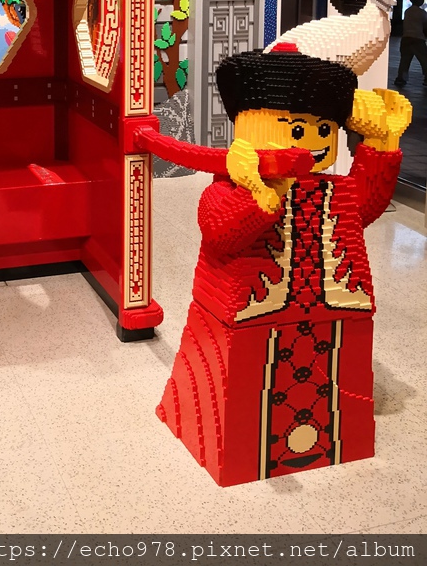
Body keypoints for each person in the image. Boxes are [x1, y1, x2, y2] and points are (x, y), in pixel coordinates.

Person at [156, 42, 411, 485]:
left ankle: (328, 443)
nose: (310, 142)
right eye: (295, 129)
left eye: (323, 129)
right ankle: (248, 452)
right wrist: (260, 192)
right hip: (248, 313)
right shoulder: (225, 189)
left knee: (332, 384)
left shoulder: (333, 189)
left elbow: (364, 207)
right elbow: (223, 234)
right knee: (243, 390)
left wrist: (381, 143)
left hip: (334, 309)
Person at [394, 0, 427, 87]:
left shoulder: (407, 11)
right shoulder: (423, 13)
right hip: (418, 40)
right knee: (424, 60)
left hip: (406, 39)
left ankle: (401, 78)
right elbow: (425, 27)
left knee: (405, 60)